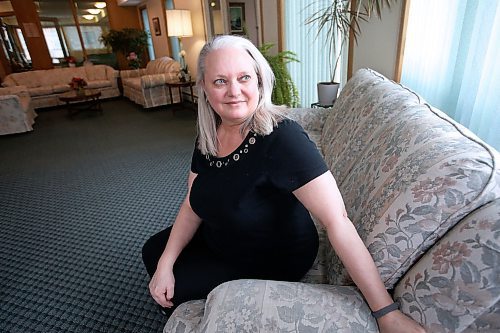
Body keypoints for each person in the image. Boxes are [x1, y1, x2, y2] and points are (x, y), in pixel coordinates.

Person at [142, 35, 425, 333]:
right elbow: (192, 202)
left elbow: (337, 221)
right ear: (205, 89)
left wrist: (386, 312)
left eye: (244, 78)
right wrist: (165, 264)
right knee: (154, 252)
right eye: (220, 81)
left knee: (179, 284)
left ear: (260, 82)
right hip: (225, 231)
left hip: (270, 254)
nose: (234, 91)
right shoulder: (209, 135)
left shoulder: (282, 138)